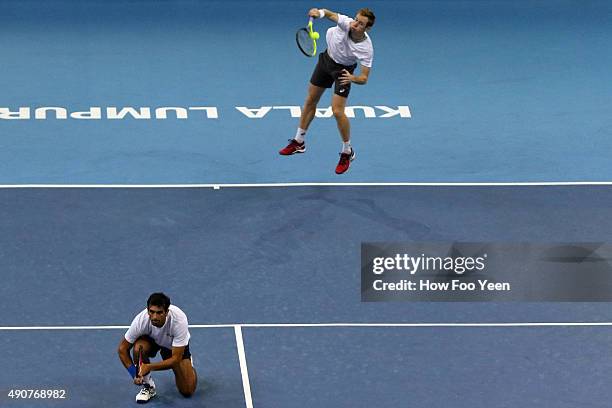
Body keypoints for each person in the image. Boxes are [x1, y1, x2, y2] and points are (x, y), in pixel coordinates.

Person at [280, 7, 375, 174]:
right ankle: (299, 142)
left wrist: (353, 78)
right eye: (356, 20)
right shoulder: (346, 23)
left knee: (337, 111)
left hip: (343, 71)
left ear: (367, 29)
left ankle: (347, 151)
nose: (355, 24)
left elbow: (365, 78)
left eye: (361, 24)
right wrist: (319, 13)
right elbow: (330, 14)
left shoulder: (366, 48)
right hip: (326, 61)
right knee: (310, 100)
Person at [117, 293, 197, 403]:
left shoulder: (179, 320)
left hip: (173, 347)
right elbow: (122, 349)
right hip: (152, 340)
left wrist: (149, 367)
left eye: (159, 313)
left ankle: (188, 363)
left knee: (187, 390)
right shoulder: (141, 320)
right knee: (138, 348)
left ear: (167, 312)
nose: (154, 317)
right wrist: (134, 373)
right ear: (147, 310)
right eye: (152, 312)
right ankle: (148, 386)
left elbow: (175, 359)